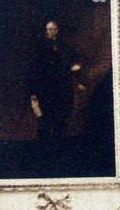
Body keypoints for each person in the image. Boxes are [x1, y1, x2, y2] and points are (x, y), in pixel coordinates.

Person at [27, 20, 83, 151]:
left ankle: (59, 148)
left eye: (54, 29)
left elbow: (69, 63)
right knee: (44, 118)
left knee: (61, 117)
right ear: (45, 31)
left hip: (61, 86)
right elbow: (35, 69)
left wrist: (73, 68)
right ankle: (43, 149)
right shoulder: (40, 47)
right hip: (45, 86)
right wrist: (34, 91)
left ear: (58, 30)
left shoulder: (64, 46)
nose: (52, 32)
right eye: (49, 29)